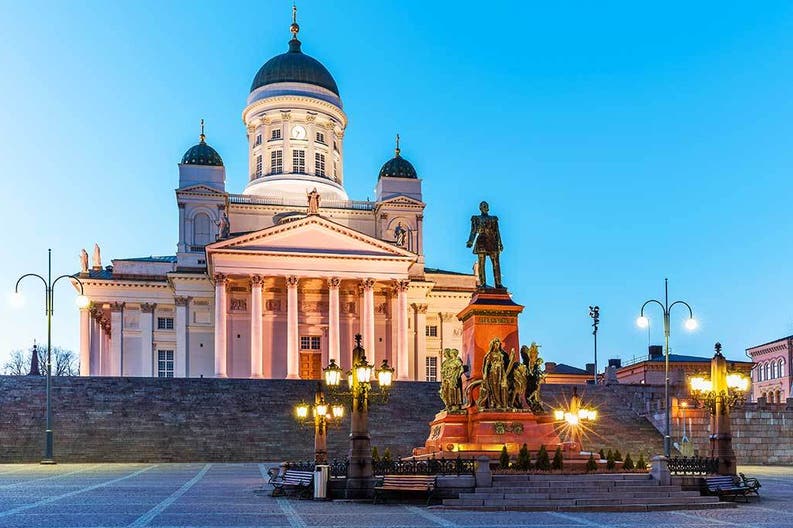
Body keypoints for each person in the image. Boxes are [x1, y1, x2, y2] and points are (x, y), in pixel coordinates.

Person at [466, 201, 504, 288]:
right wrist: (470, 241)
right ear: (480, 208)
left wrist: (500, 243)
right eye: (483, 206)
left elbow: (497, 232)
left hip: (492, 241)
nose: (484, 207)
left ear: (488, 208)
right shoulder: (476, 218)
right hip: (481, 242)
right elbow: (473, 231)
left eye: (486, 206)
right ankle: (483, 283)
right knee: (481, 263)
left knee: (496, 264)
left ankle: (498, 283)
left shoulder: (493, 219)